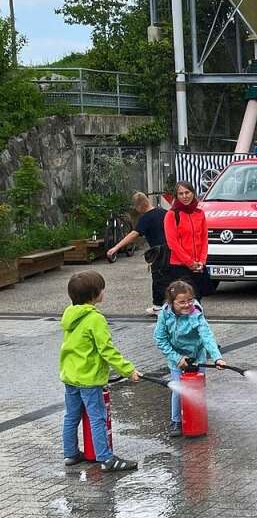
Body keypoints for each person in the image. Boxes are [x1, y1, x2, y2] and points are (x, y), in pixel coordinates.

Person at [60, 270, 140, 472]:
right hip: (89, 379)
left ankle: (70, 454)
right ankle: (106, 458)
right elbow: (107, 350)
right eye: (102, 289)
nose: (104, 291)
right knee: (97, 418)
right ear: (94, 294)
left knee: (71, 417)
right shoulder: (95, 319)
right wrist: (128, 370)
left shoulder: (70, 314)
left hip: (70, 376)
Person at [153, 280, 226, 438]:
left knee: (198, 389)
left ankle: (199, 419)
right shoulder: (164, 315)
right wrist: (177, 358)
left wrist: (217, 358)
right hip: (176, 357)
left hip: (196, 356)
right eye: (182, 302)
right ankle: (176, 421)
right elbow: (160, 339)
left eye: (190, 300)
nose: (187, 305)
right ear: (172, 302)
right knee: (178, 389)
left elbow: (207, 336)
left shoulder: (196, 314)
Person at [106, 192, 167, 315]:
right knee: (169, 277)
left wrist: (116, 248)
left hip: (157, 252)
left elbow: (133, 234)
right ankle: (169, 304)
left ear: (139, 206)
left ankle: (158, 306)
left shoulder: (145, 218)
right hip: (170, 249)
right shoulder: (164, 212)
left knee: (158, 279)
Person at [164, 181, 209, 300]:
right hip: (179, 266)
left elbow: (204, 238)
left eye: (187, 192)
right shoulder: (172, 214)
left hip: (198, 265)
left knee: (197, 299)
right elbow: (172, 243)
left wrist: (202, 261)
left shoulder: (200, 213)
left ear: (193, 193)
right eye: (181, 194)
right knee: (183, 301)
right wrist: (190, 263)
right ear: (176, 196)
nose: (184, 196)